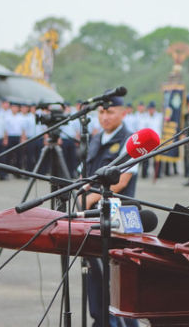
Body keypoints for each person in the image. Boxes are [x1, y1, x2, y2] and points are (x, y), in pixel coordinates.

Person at [79, 94, 138, 327]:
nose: (105, 117)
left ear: (123, 113)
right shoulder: (94, 139)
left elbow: (122, 181)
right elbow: (82, 177)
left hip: (119, 221)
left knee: (119, 288)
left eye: (110, 112)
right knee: (95, 283)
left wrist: (89, 198)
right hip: (94, 221)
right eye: (101, 112)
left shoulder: (131, 141)